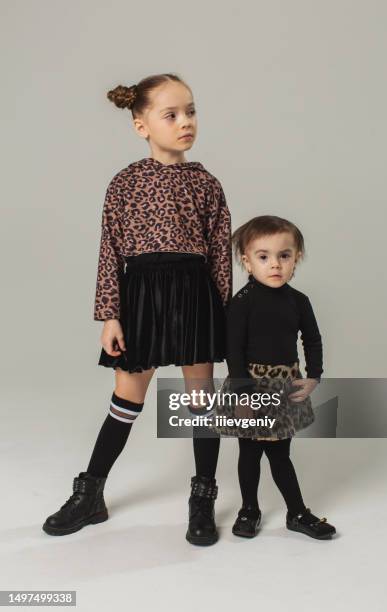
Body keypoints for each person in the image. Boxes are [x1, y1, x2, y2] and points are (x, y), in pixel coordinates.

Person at [42, 73, 232, 546]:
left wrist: (224, 317)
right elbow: (109, 251)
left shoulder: (207, 183)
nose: (185, 122)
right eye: (171, 114)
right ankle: (91, 494)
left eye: (191, 111)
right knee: (126, 398)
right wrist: (111, 314)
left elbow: (220, 255)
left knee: (200, 399)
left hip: (193, 293)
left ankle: (203, 497)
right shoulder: (124, 183)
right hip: (140, 295)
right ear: (141, 125)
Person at [211, 215, 336, 540]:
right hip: (249, 385)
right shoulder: (241, 303)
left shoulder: (299, 301)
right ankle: (248, 509)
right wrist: (242, 394)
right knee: (249, 453)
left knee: (281, 454)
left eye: (284, 255)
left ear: (296, 259)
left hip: (284, 387)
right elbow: (233, 351)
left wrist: (314, 376)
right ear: (247, 262)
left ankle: (297, 513)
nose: (275, 264)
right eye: (263, 256)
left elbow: (312, 340)